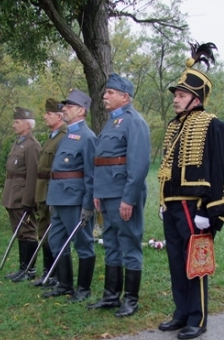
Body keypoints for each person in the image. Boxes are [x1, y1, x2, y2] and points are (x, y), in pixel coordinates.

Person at [157, 42, 224, 340]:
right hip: (172, 204)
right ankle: (181, 312)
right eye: (176, 95)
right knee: (176, 260)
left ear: (196, 98)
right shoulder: (174, 126)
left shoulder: (213, 125)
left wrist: (207, 208)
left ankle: (197, 317)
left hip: (194, 206)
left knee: (195, 261)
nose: (176, 99)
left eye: (181, 95)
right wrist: (163, 200)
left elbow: (219, 169)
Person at [87, 73, 151, 317]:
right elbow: (102, 161)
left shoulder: (134, 122)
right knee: (111, 243)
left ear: (125, 97)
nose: (105, 96)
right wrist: (97, 192)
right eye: (106, 92)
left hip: (123, 195)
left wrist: (129, 198)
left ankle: (131, 300)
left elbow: (139, 164)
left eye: (110, 92)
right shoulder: (111, 122)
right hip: (107, 194)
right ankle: (111, 296)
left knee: (130, 243)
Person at [43, 89, 97, 302]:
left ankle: (83, 289)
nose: (64, 109)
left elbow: (91, 175)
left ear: (81, 110)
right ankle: (65, 285)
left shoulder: (87, 137)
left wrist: (88, 205)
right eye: (65, 106)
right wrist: (52, 197)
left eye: (69, 106)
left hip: (75, 200)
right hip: (59, 198)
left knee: (83, 243)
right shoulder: (66, 135)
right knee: (56, 240)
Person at [30, 98, 68, 289]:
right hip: (43, 187)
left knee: (54, 232)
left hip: (53, 188)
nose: (45, 116)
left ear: (59, 116)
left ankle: (56, 273)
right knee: (44, 228)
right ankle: (48, 272)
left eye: (49, 113)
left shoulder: (64, 136)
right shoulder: (52, 137)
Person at [2, 107, 41, 282]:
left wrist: (29, 200)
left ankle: (29, 269)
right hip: (12, 193)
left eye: (17, 122)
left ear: (27, 125)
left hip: (22, 195)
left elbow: (33, 175)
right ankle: (22, 267)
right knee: (19, 232)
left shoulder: (32, 145)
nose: (13, 125)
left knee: (28, 231)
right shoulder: (19, 143)